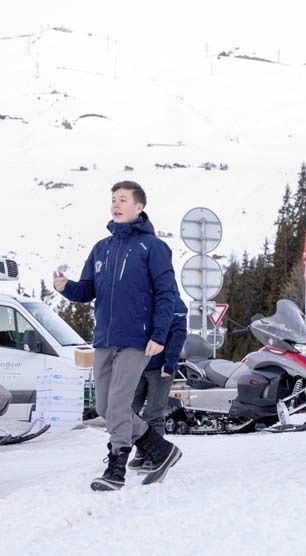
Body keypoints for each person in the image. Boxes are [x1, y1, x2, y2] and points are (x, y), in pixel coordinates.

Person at [54, 181, 183, 491]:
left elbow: (168, 295)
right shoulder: (102, 247)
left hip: (137, 340)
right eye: (113, 199)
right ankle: (161, 448)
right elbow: (87, 290)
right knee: (104, 408)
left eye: (123, 199)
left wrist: (160, 335)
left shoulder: (153, 248)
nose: (116, 204)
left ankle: (116, 467)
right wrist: (66, 287)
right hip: (104, 339)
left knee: (120, 403)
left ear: (139, 206)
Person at [129, 293, 187, 470]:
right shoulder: (143, 297)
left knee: (153, 413)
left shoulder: (174, 302)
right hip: (138, 366)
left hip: (160, 368)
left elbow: (178, 334)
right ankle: (143, 448)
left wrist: (169, 362)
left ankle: (156, 455)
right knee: (127, 410)